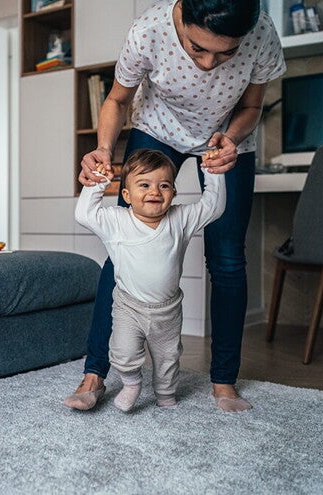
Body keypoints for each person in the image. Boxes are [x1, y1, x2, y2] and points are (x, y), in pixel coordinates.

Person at [65, 0, 286, 413]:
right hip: (157, 128)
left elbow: (252, 106)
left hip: (226, 138)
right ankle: (94, 374)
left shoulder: (261, 35)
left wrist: (231, 140)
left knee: (227, 261)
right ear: (181, 15)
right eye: (196, 48)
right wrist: (103, 151)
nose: (208, 64)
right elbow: (116, 100)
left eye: (225, 53)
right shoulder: (148, 30)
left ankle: (224, 381)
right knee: (124, 249)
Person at [73, 149, 225, 411]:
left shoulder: (181, 219)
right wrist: (98, 182)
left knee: (168, 358)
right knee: (123, 352)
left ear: (174, 194)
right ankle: (132, 383)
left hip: (167, 310)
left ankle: (166, 396)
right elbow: (84, 215)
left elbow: (213, 207)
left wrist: (213, 174)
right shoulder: (117, 221)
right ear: (127, 195)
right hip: (128, 306)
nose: (155, 191)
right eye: (144, 185)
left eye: (164, 185)